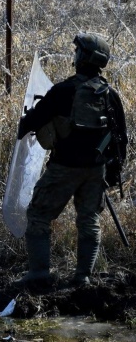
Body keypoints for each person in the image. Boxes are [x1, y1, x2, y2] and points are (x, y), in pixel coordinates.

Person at [17, 33, 128, 288]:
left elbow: (32, 121)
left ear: (82, 57)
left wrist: (23, 124)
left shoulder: (63, 90)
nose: (74, 54)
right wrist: (111, 174)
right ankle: (83, 278)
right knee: (89, 220)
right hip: (95, 170)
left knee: (38, 215)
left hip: (63, 168)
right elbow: (121, 138)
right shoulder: (110, 95)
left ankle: (39, 275)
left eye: (77, 51)